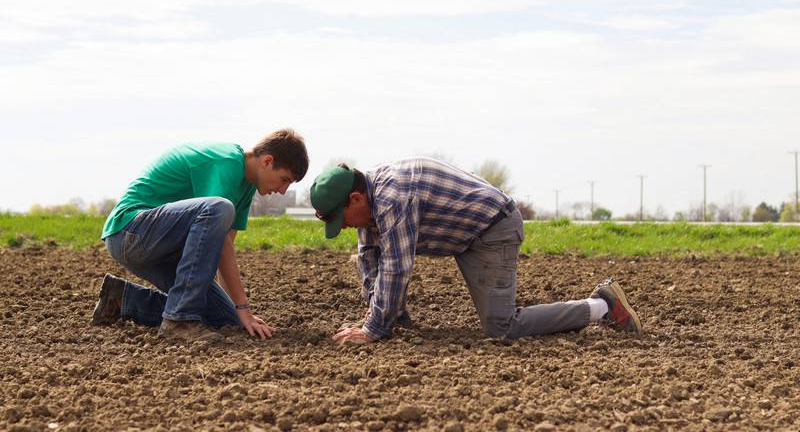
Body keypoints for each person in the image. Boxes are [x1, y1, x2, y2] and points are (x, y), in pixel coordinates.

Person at [309, 157, 642, 344]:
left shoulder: (393, 196)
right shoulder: (368, 203)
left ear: (356, 199)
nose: (348, 227)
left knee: (502, 327)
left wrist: (373, 330)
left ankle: (602, 305)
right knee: (384, 299)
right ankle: (394, 316)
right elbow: (371, 260)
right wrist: (376, 313)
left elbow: (396, 266)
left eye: (344, 219)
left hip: (493, 229)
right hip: (464, 235)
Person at [91, 128, 309, 342]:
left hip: (161, 246)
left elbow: (223, 248)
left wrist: (237, 311)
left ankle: (123, 299)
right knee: (219, 208)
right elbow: (216, 223)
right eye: (284, 179)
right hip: (131, 231)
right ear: (267, 161)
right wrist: (244, 306)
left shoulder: (247, 186)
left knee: (225, 319)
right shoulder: (227, 163)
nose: (282, 190)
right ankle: (178, 321)